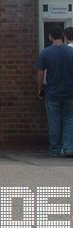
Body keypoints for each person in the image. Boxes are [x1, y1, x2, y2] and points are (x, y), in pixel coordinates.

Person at [35, 27, 73, 157]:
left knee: (54, 121)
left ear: (50, 37)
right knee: (69, 119)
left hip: (52, 92)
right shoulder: (71, 52)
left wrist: (39, 90)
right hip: (70, 92)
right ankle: (68, 148)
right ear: (62, 36)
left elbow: (40, 73)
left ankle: (55, 149)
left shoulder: (45, 53)